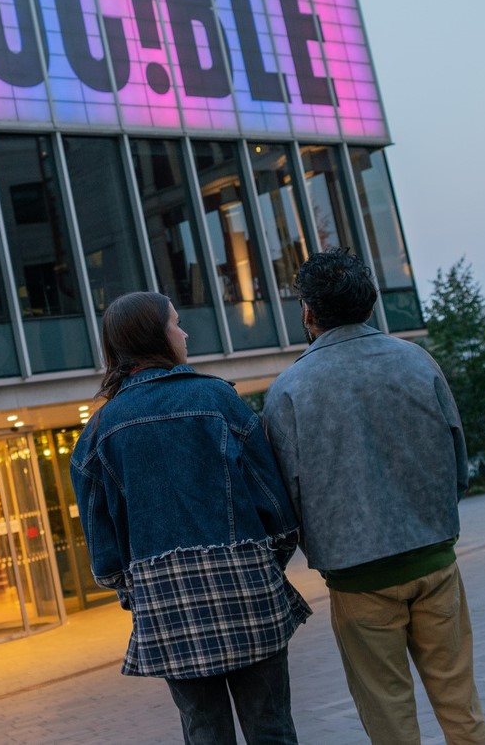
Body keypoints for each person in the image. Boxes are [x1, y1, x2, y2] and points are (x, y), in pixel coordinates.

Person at [263, 249, 485, 745]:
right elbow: (457, 457)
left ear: (308, 312)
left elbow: (288, 494)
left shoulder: (287, 391)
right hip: (433, 556)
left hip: (356, 574)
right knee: (461, 704)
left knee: (389, 719)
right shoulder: (416, 360)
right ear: (370, 306)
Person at [71, 291, 310, 745]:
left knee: (204, 731)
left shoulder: (98, 432)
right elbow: (277, 512)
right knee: (272, 727)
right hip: (245, 588)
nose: (184, 333)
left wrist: (135, 590)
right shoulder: (217, 397)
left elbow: (105, 557)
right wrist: (264, 562)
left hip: (166, 604)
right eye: (175, 324)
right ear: (154, 336)